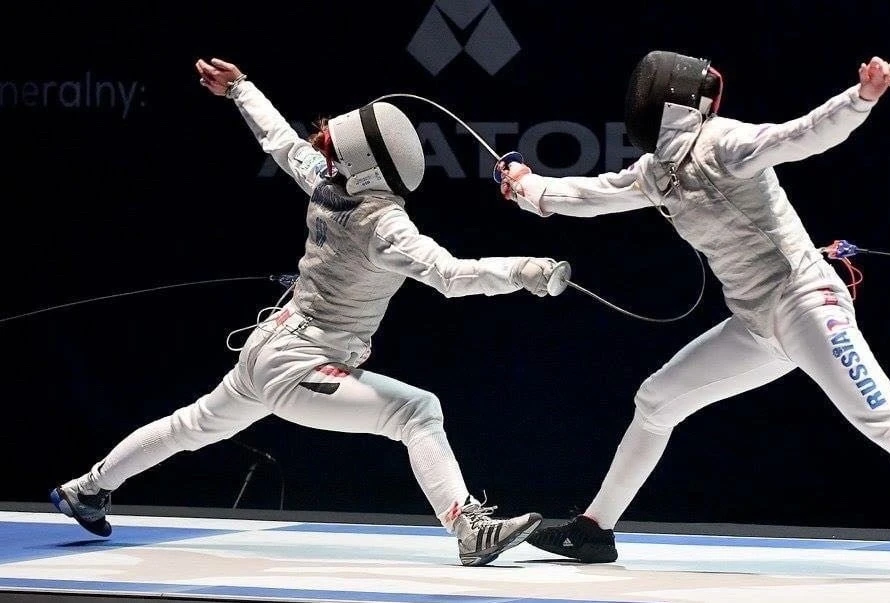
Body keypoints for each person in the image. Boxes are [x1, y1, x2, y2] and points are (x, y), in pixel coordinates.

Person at [498, 51, 890, 580]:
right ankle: (594, 531)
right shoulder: (656, 172)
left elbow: (800, 135)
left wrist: (860, 98)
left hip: (807, 306)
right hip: (754, 325)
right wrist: (527, 186)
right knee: (655, 402)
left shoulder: (725, 143)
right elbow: (588, 196)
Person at [50, 57, 569, 567]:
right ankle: (469, 529)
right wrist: (526, 271)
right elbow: (450, 276)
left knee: (192, 425)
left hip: (269, 345)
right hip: (298, 364)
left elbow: (280, 140)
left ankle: (87, 489)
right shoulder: (384, 225)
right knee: (417, 411)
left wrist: (241, 88)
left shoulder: (325, 181)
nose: (327, 149)